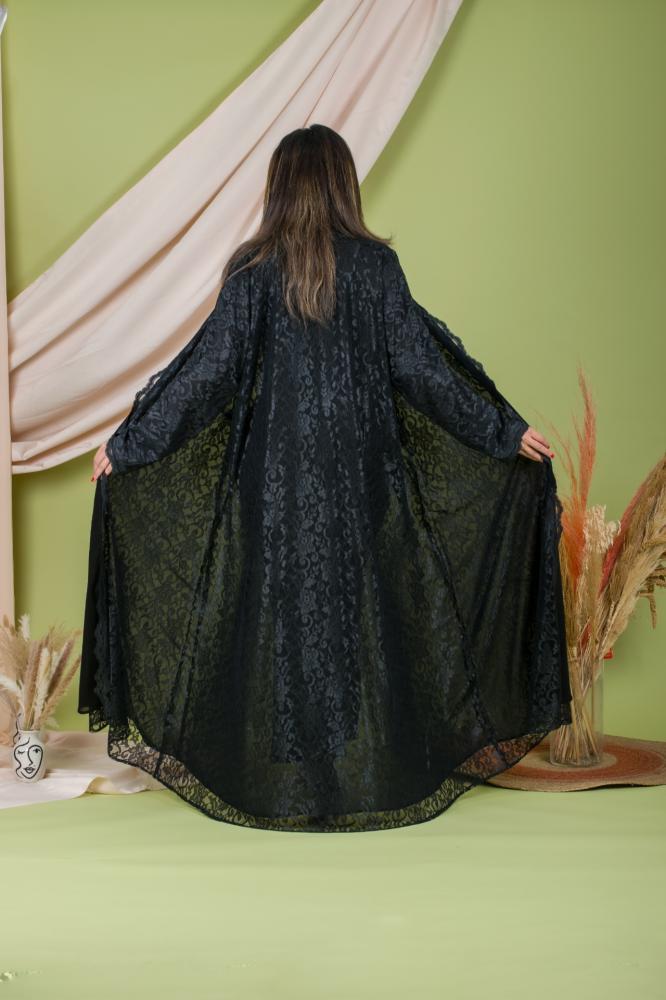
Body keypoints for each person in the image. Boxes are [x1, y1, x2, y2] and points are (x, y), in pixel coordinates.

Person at [78, 124, 573, 832]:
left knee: (283, 612)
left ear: (279, 187)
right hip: (362, 480)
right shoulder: (375, 268)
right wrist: (500, 430)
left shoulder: (253, 272)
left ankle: (297, 771)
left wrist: (130, 447)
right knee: (357, 608)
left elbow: (206, 377)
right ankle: (347, 767)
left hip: (273, 484)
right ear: (343, 184)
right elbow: (423, 371)